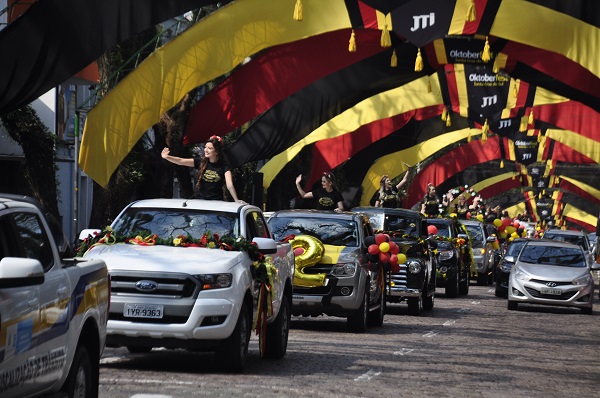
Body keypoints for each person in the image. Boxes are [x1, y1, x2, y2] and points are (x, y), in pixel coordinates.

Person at [161, 135, 244, 203]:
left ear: (216, 152)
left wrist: (236, 199)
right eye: (205, 147)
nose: (206, 150)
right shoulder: (200, 161)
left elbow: (229, 185)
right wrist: (167, 157)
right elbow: (181, 161)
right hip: (199, 201)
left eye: (210, 148)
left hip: (216, 203)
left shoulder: (224, 166)